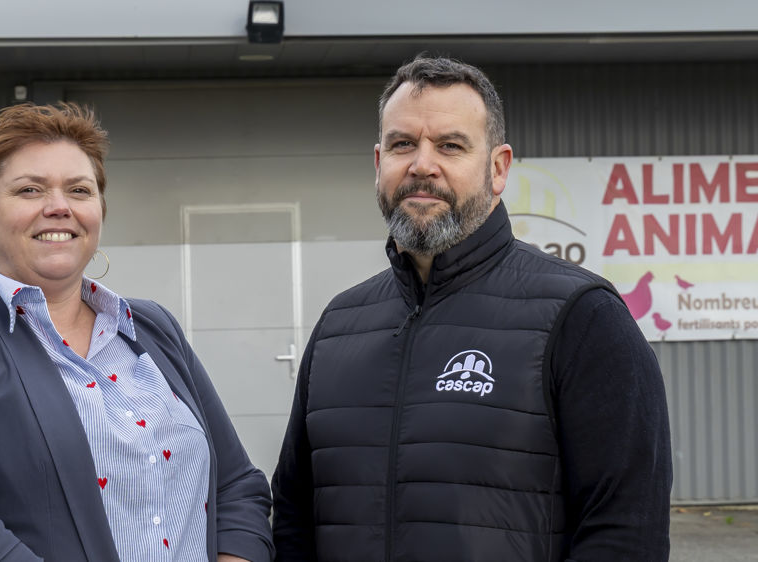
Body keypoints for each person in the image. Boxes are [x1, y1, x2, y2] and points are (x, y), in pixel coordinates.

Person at [271, 56, 672, 561]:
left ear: (498, 167)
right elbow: (292, 516)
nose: (421, 164)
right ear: (378, 164)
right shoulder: (339, 326)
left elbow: (626, 534)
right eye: (402, 144)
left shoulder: (582, 318)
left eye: (450, 145)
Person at [0, 102, 273, 562]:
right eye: (29, 190)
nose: (58, 207)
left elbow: (238, 486)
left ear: (99, 209)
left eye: (78, 190)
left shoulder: (151, 328)